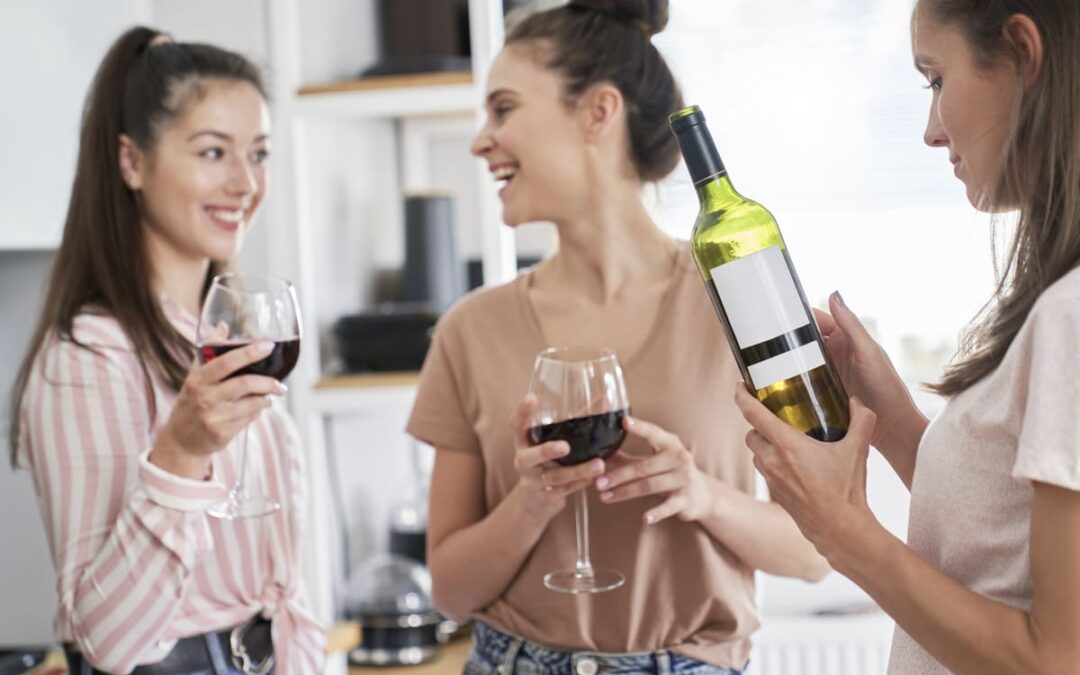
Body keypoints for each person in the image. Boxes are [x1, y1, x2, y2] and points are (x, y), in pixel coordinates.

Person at [406, 1, 830, 673]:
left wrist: (702, 494)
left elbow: (815, 551)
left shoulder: (745, 299)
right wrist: (531, 502)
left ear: (597, 113)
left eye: (505, 109)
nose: (479, 141)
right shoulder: (468, 330)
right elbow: (452, 590)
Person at [735, 1, 1080, 673]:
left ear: (1022, 53)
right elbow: (1003, 539)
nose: (928, 130)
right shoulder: (1057, 301)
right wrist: (891, 417)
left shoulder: (1071, 314)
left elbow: (1057, 659)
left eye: (936, 79)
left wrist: (843, 532)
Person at [7, 27, 325, 674]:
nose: (245, 183)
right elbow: (108, 644)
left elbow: (284, 586)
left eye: (258, 154)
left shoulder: (219, 339)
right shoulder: (88, 358)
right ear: (132, 162)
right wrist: (181, 456)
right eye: (213, 152)